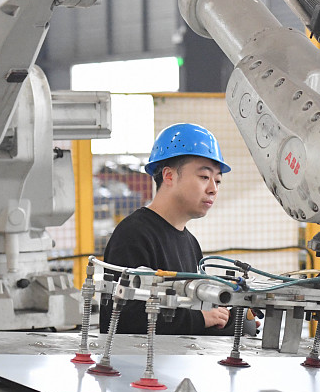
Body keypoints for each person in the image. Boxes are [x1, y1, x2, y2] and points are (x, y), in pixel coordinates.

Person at [99, 123, 232, 335]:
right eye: (204, 177)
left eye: (217, 181)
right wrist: (200, 319)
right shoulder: (134, 235)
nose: (213, 189)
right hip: (137, 365)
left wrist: (229, 321)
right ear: (169, 176)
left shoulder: (190, 243)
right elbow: (123, 318)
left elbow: (189, 312)